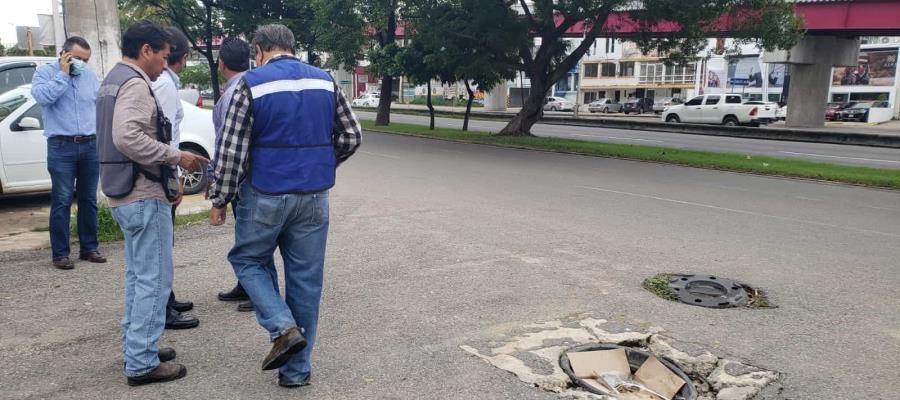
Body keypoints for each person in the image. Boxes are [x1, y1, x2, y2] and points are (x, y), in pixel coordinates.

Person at [207, 24, 361, 388]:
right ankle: (296, 373)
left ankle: (282, 326)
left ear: (259, 50)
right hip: (314, 196)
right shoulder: (325, 81)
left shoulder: (251, 84)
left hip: (265, 194)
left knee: (247, 260)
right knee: (306, 283)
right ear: (291, 48)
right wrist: (321, 163)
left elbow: (232, 151)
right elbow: (352, 135)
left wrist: (220, 198)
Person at [97, 21, 207, 386]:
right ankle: (141, 361)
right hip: (143, 194)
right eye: (162, 55)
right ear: (146, 50)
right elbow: (127, 135)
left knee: (138, 277)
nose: (164, 63)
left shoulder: (112, 79)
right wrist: (175, 157)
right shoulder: (134, 84)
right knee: (154, 280)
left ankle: (138, 346)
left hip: (124, 192)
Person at [31, 36, 104, 270]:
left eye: (86, 60)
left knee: (89, 199)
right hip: (61, 145)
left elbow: (99, 106)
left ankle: (89, 248)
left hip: (90, 144)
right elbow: (43, 97)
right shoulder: (44, 73)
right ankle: (60, 254)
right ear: (64, 54)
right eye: (77, 59)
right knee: (62, 200)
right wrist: (63, 74)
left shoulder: (89, 76)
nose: (81, 63)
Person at [150, 27, 199, 330]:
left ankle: (167, 297)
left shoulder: (164, 83)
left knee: (164, 241)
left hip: (161, 168)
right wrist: (176, 178)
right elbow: (165, 136)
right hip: (164, 170)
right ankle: (164, 307)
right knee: (161, 244)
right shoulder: (166, 86)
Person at [209, 37, 259, 313]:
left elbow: (229, 145)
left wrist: (220, 192)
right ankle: (246, 284)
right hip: (250, 175)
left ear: (221, 63)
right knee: (246, 233)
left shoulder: (232, 95)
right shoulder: (250, 85)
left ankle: (257, 289)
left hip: (242, 177)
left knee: (251, 236)